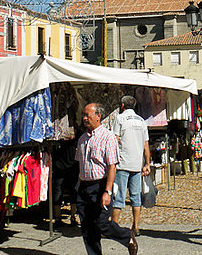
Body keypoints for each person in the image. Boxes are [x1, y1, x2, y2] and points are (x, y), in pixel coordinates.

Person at [75, 103, 138, 255]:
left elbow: (112, 167)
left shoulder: (108, 137)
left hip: (100, 186)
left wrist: (107, 192)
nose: (84, 118)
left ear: (98, 116)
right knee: (87, 227)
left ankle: (126, 236)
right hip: (84, 186)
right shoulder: (82, 139)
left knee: (101, 223)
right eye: (83, 115)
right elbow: (79, 164)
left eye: (87, 115)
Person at [111, 95, 151, 236]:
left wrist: (112, 160)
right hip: (136, 164)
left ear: (122, 105)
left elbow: (115, 140)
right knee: (136, 197)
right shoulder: (141, 121)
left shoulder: (119, 118)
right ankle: (136, 226)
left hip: (122, 162)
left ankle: (114, 226)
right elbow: (146, 144)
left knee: (118, 197)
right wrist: (147, 163)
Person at [53, 129, 80, 227]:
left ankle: (58, 217)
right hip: (70, 166)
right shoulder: (76, 135)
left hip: (61, 165)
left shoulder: (57, 135)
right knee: (72, 192)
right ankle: (71, 217)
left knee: (59, 192)